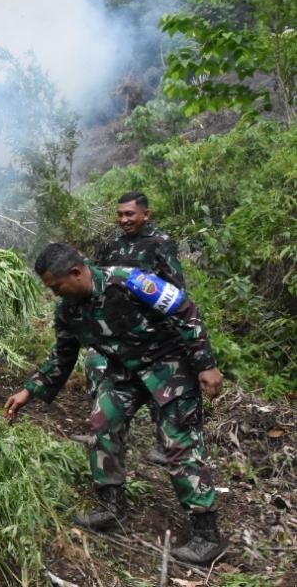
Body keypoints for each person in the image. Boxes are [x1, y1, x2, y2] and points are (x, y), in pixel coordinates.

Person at [4, 243, 225, 564]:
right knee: (102, 423)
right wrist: (29, 391)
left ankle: (207, 535)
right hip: (125, 372)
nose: (54, 294)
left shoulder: (129, 282)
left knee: (178, 443)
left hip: (169, 366)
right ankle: (111, 505)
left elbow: (183, 309)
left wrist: (205, 363)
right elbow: (63, 355)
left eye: (56, 286)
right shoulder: (68, 310)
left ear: (76, 272)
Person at [88, 192, 185, 460]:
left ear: (146, 214)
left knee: (159, 390)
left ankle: (166, 445)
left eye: (129, 214)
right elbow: (98, 278)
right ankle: (105, 432)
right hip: (116, 329)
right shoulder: (112, 244)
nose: (123, 219)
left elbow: (176, 290)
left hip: (152, 332)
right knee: (100, 373)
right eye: (120, 214)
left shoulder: (160, 244)